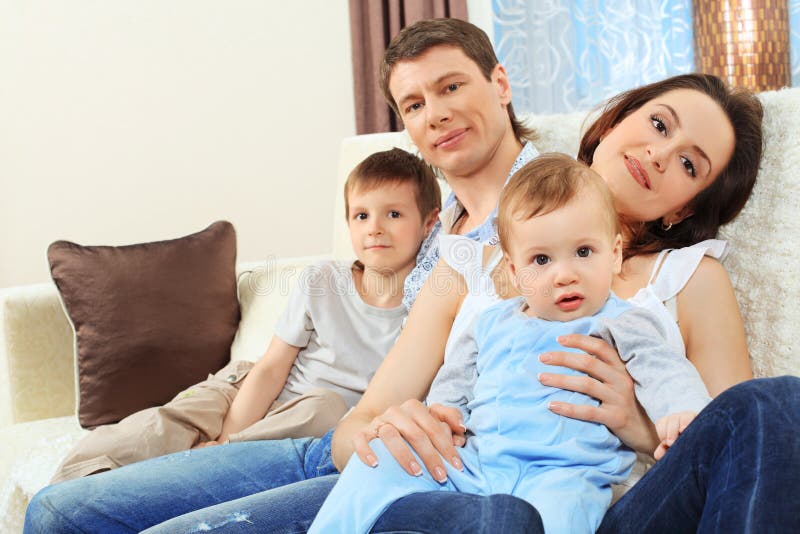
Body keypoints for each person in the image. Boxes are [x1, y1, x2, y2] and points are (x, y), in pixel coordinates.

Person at [25, 19, 796, 534]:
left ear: (688, 205)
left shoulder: (688, 278)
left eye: (690, 163)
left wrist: (633, 421)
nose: (661, 154)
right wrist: (398, 424)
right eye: (659, 124)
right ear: (615, 120)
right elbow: (368, 418)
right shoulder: (477, 260)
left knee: (777, 405)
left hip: (556, 493)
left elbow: (724, 447)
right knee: (60, 514)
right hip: (431, 473)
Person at [310, 154, 712, 533]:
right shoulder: (490, 323)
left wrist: (681, 412)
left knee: (559, 516)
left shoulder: (622, 321)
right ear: (515, 271)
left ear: (615, 255)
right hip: (475, 463)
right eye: (542, 260)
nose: (564, 275)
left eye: (584, 252)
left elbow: (664, 370)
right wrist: (445, 411)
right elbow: (456, 378)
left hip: (565, 473)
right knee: (375, 463)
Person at [47, 147, 440, 483]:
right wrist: (230, 432)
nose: (374, 229)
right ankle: (70, 492)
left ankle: (199, 466)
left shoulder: (431, 311)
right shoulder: (322, 280)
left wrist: (227, 449)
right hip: (248, 393)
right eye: (361, 216)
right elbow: (271, 368)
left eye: (393, 215)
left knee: (327, 407)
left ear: (429, 222)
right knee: (143, 435)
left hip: (307, 426)